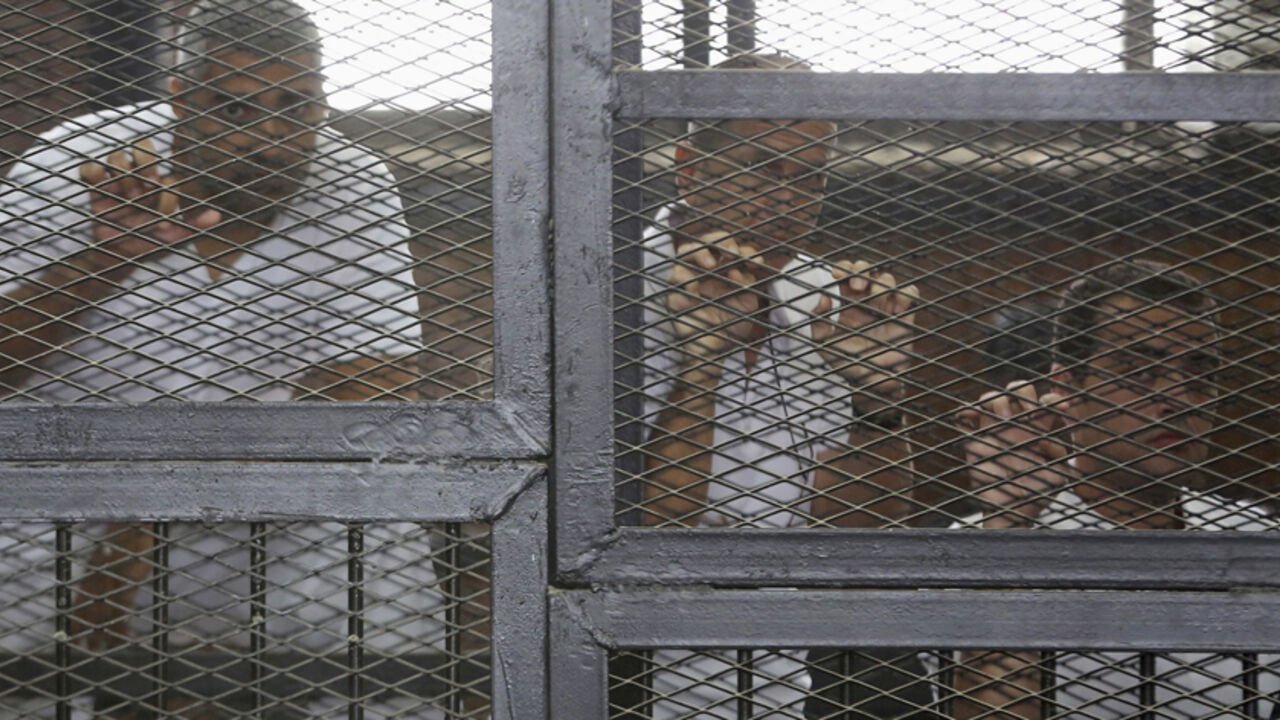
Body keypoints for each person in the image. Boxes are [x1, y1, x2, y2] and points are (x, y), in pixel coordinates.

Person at [0, 1, 437, 717]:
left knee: (377, 533)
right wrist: (110, 255)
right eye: (233, 112)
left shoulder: (353, 179)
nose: (269, 139)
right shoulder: (73, 162)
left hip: (290, 510)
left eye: (295, 107)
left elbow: (374, 403)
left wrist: (161, 509)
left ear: (324, 100)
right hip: (72, 502)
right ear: (179, 101)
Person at [635, 52, 931, 719]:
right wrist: (704, 362)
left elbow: (866, 543)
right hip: (627, 661)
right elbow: (645, 532)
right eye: (764, 169)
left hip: (790, 671)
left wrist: (876, 396)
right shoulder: (610, 285)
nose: (787, 200)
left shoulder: (824, 295)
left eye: (810, 178)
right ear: (690, 169)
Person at [948, 259, 1278, 719]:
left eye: (1200, 370)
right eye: (1139, 370)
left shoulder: (1255, 540)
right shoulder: (969, 549)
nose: (1178, 394)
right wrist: (1009, 531)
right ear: (1067, 388)